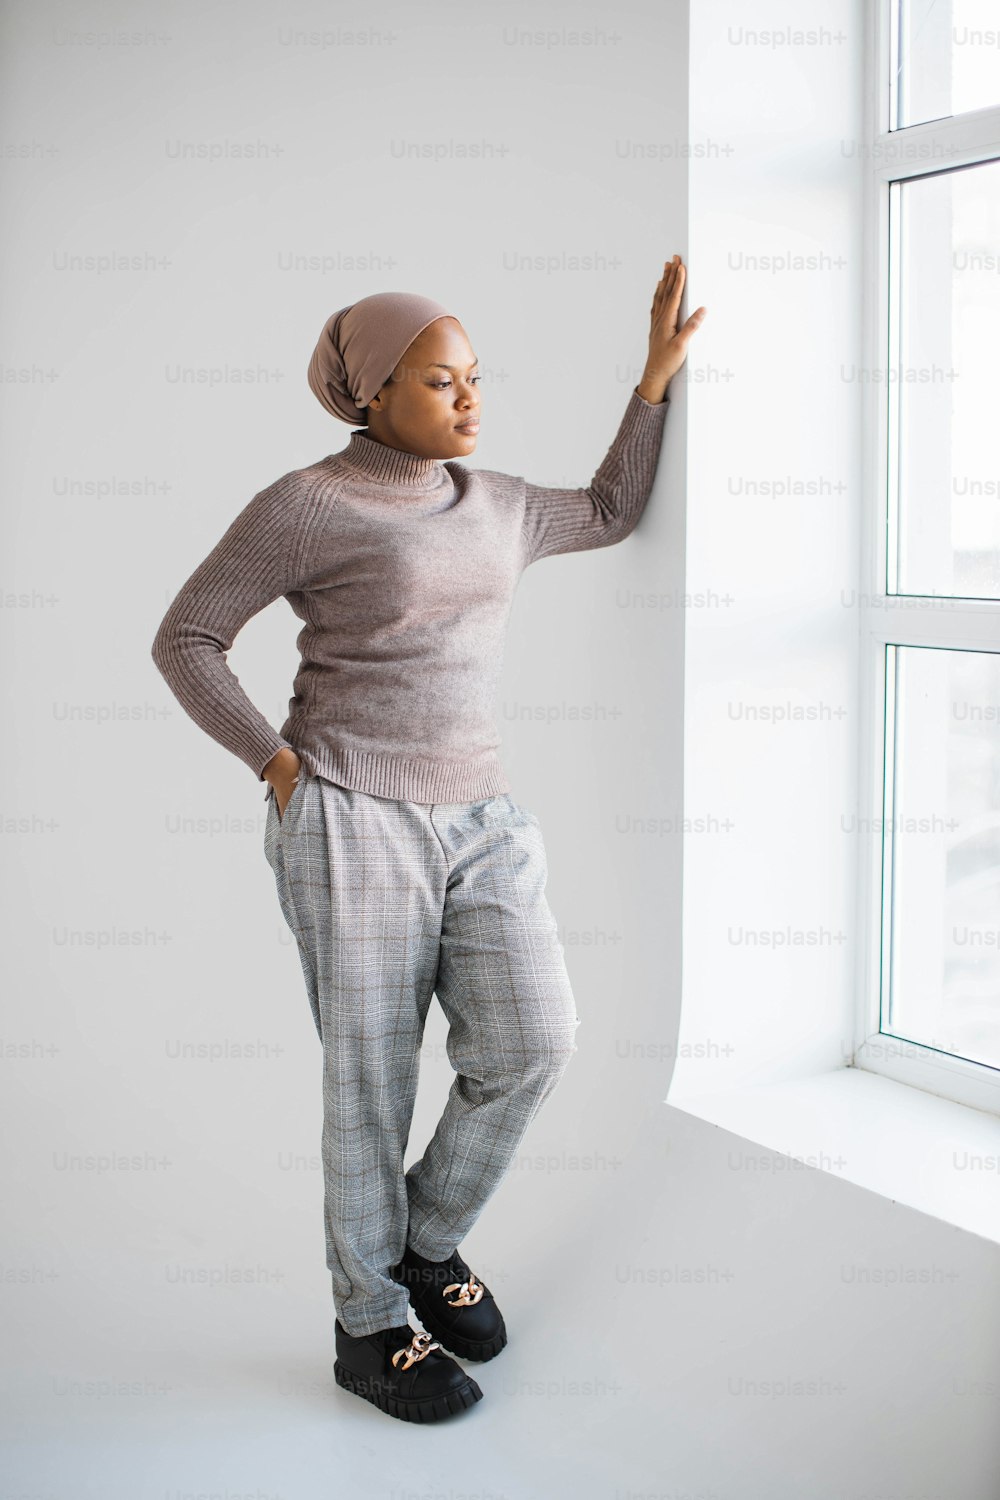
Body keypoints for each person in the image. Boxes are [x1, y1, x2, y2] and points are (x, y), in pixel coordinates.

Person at [151, 262, 705, 1424]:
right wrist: (274, 758)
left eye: (475, 378)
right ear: (371, 393)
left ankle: (423, 1239)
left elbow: (606, 511)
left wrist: (649, 386)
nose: (467, 400)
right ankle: (366, 1330)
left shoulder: (495, 500)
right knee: (370, 1081)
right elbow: (190, 636)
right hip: (350, 812)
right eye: (440, 380)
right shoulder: (306, 502)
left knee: (535, 1039)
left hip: (483, 816)